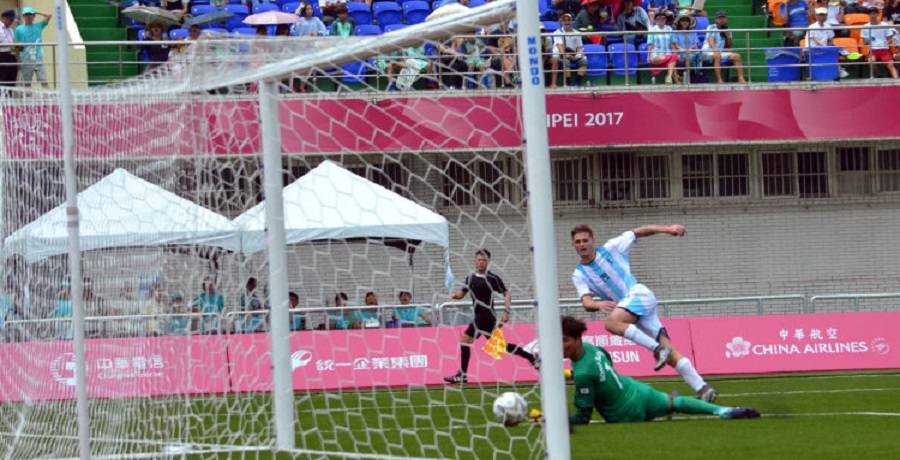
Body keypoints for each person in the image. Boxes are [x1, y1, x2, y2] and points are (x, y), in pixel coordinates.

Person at [570, 224, 718, 402]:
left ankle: (657, 349)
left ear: (593, 241)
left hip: (638, 295)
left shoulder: (611, 248)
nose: (582, 244)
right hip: (631, 310)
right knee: (671, 354)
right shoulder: (579, 274)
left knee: (612, 323)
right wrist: (597, 304)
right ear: (574, 245)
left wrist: (668, 229)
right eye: (578, 242)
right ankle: (703, 388)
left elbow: (638, 231)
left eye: (585, 240)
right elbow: (586, 302)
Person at [560, 315, 761, 424]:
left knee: (671, 406)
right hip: (637, 391)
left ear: (578, 339)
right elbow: (607, 365)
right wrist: (574, 376)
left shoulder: (585, 374)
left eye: (565, 340)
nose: (560, 345)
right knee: (676, 402)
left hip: (625, 414)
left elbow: (582, 418)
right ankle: (724, 410)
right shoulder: (592, 348)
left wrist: (549, 421)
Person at [444, 249, 539, 384]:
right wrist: (454, 296)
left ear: (487, 262)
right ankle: (531, 357)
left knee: (465, 341)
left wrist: (506, 312)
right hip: (480, 316)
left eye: (484, 260)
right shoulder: (470, 278)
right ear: (475, 261)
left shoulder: (492, 278)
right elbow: (462, 294)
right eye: (479, 260)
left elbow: (507, 294)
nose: (481, 263)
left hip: (487, 316)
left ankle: (462, 376)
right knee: (501, 346)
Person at [701, 10, 746, 84]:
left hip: (721, 52)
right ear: (716, 19)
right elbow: (710, 40)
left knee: (737, 56)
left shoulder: (727, 29)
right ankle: (719, 80)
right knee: (717, 55)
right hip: (708, 52)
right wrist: (715, 50)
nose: (722, 20)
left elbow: (729, 47)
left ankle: (741, 78)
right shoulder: (711, 27)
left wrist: (728, 37)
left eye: (723, 18)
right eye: (720, 18)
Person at [13, 7, 51, 89]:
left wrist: (36, 12)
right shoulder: (19, 29)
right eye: (26, 15)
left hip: (38, 58)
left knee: (44, 81)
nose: (29, 17)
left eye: (30, 15)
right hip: (25, 59)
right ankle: (28, 101)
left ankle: (48, 100)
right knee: (27, 84)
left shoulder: (38, 26)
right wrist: (17, 60)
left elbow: (49, 16)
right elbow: (15, 44)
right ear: (23, 16)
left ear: (34, 16)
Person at [862, 6, 899, 78]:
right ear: (869, 15)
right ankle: (879, 75)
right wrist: (867, 42)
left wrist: (889, 41)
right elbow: (864, 42)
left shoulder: (884, 25)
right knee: (871, 61)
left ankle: (897, 81)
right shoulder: (865, 26)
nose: (873, 15)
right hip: (873, 50)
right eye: (871, 14)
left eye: (874, 13)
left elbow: (890, 38)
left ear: (878, 14)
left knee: (891, 65)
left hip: (884, 49)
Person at [554, 13, 588, 86]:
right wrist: (568, 56)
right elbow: (560, 49)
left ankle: (577, 83)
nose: (566, 22)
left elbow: (579, 48)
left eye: (568, 20)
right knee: (566, 62)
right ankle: (568, 83)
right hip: (561, 54)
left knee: (584, 61)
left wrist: (578, 55)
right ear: (562, 22)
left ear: (571, 21)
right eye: (564, 20)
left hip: (574, 54)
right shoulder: (557, 33)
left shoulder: (577, 33)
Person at [646, 10, 679, 84]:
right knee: (672, 59)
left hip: (668, 53)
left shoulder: (669, 29)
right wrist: (648, 56)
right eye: (658, 18)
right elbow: (651, 44)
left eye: (663, 18)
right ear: (656, 19)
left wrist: (675, 52)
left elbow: (672, 43)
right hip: (656, 54)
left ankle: (669, 77)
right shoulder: (652, 30)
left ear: (665, 19)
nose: (661, 20)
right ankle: (674, 80)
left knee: (673, 57)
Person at [0, 10, 18, 90]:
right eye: (10, 19)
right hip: (2, 55)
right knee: (2, 78)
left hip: (10, 55)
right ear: (4, 18)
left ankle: (9, 98)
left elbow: (12, 44)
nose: (12, 21)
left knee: (11, 78)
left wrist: (15, 57)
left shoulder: (10, 29)